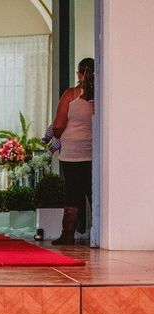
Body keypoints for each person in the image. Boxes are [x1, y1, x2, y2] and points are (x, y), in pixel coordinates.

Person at [52, 57, 94, 245]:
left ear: (80, 73)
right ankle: (101, 231)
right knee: (94, 193)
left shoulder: (71, 94)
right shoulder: (102, 95)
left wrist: (57, 136)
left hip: (72, 152)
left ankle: (68, 234)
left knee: (72, 193)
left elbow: (58, 125)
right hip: (94, 151)